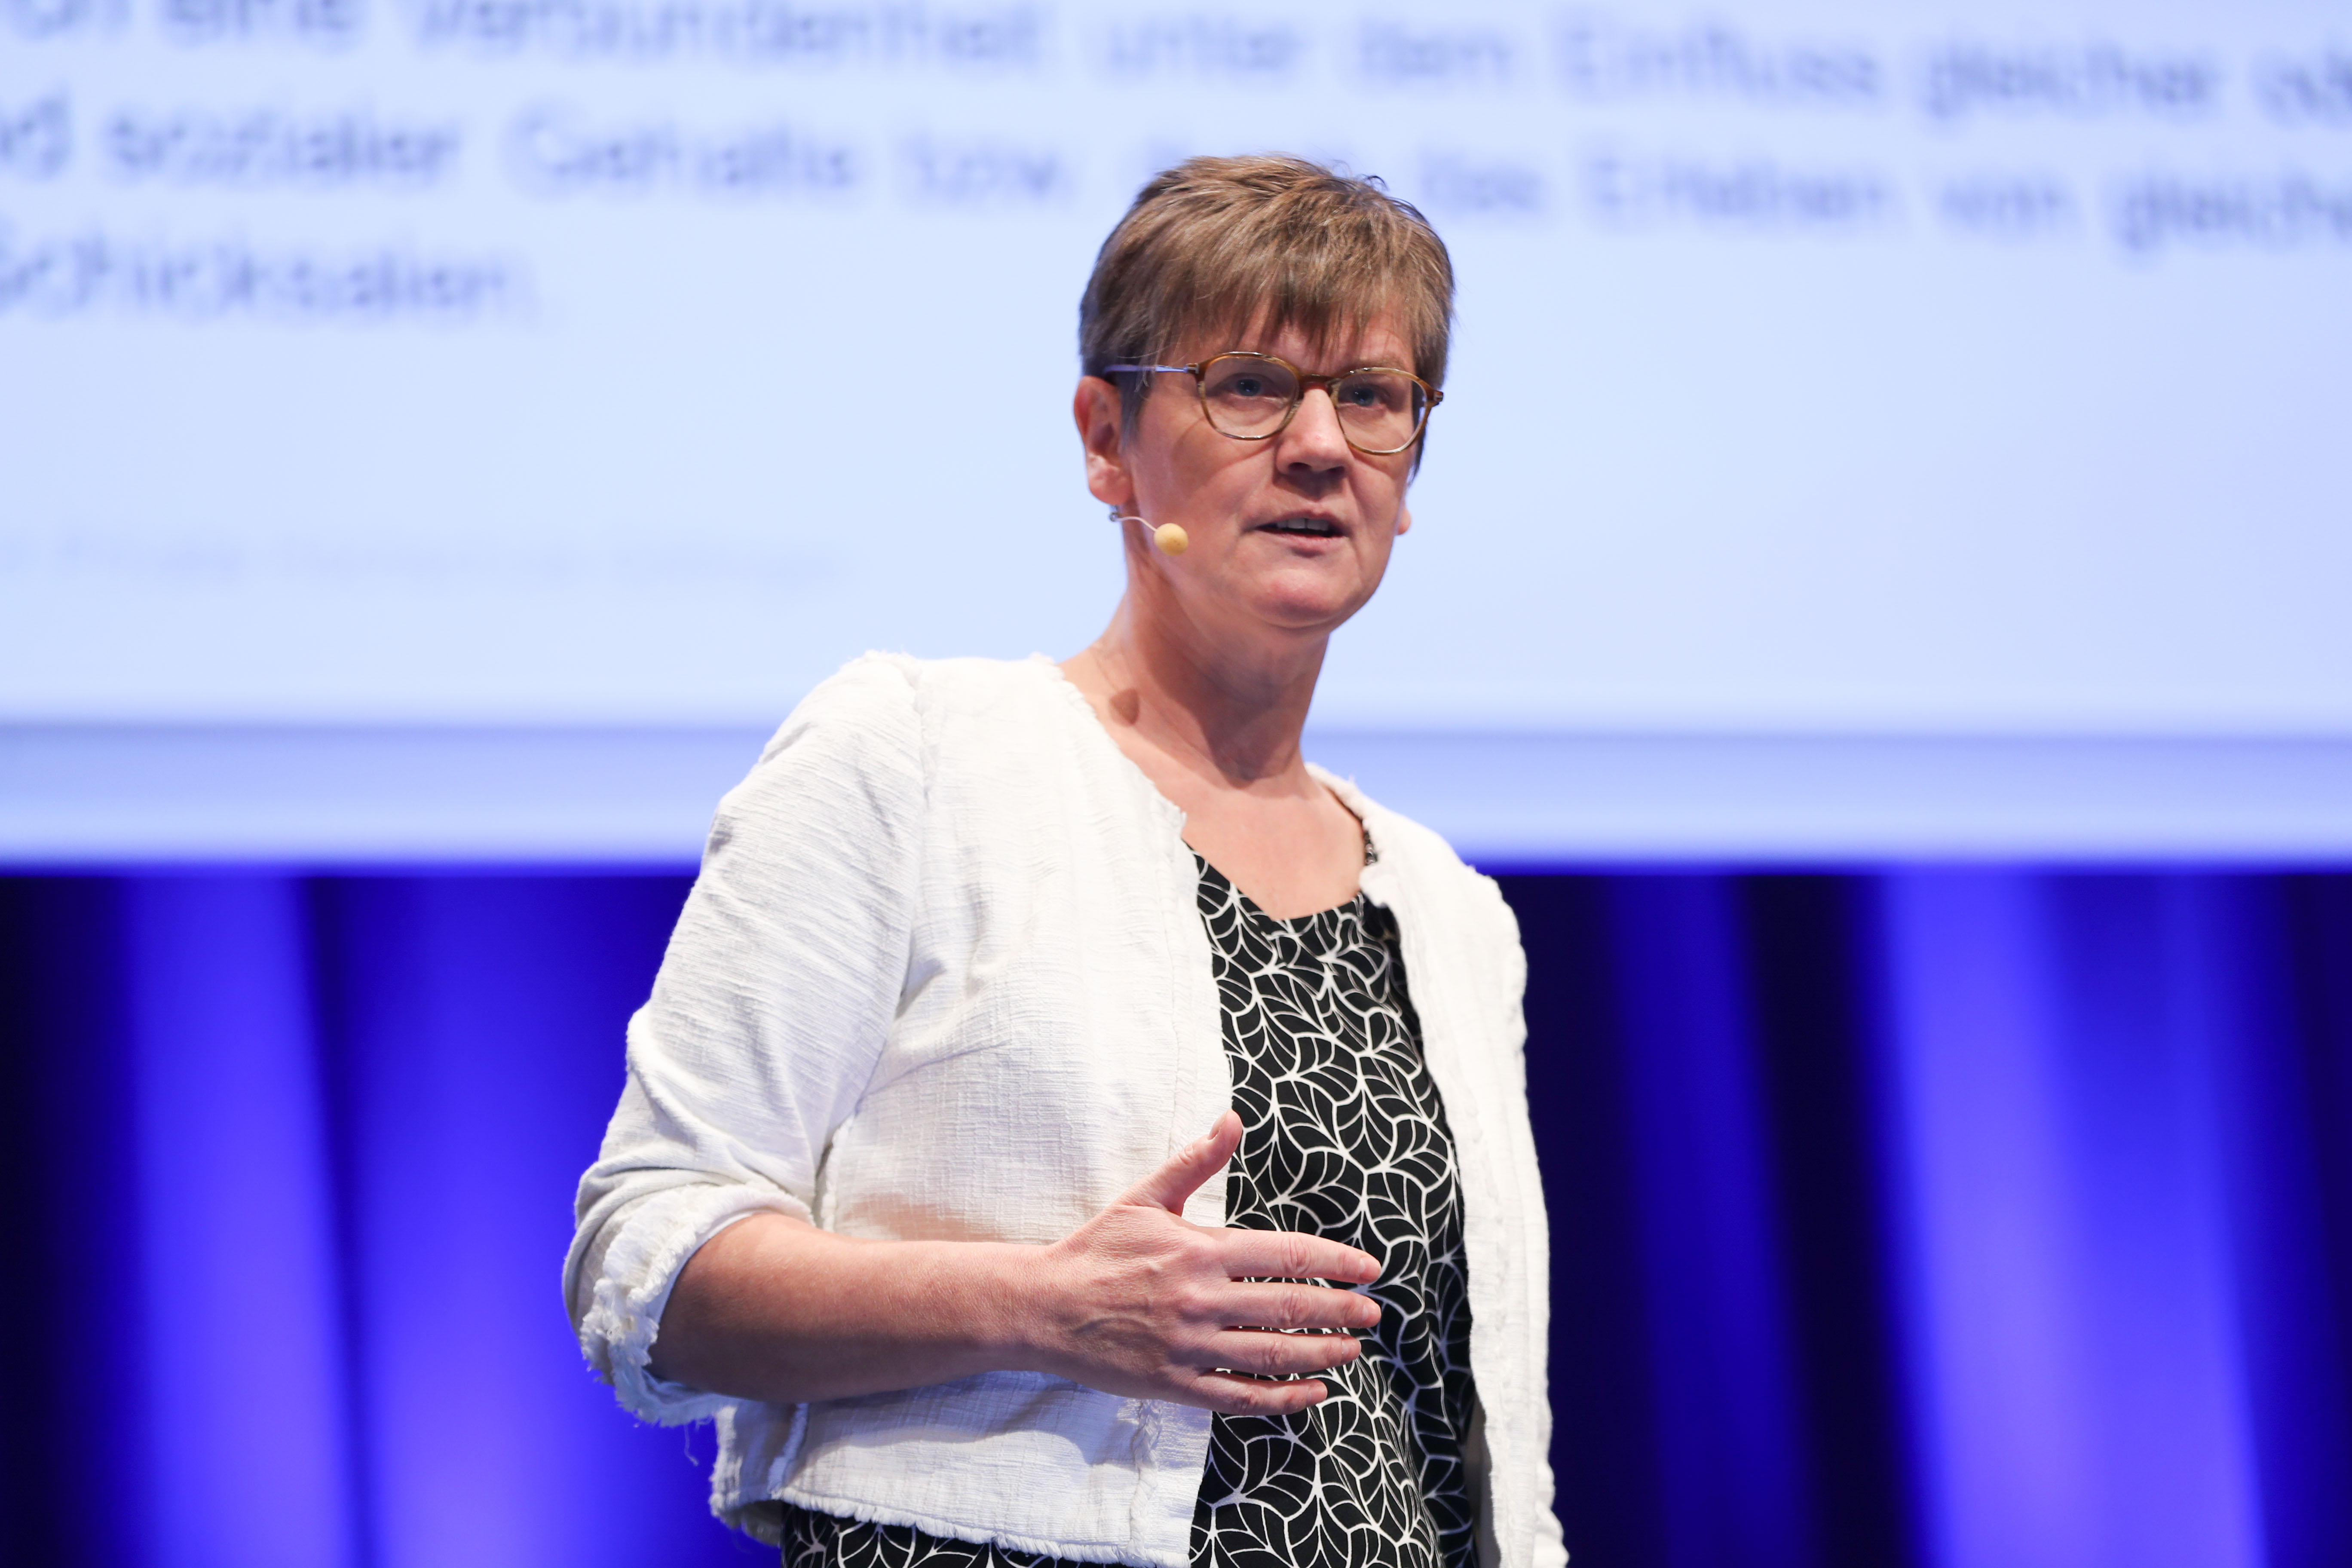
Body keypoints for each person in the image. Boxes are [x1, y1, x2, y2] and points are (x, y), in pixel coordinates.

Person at [567, 154, 1562, 1568]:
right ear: (1107, 440)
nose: (1320, 445)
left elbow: (1479, 1450)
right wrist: (1040, 1307)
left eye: (1373, 396)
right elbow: (645, 1264)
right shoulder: (917, 757)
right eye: (1250, 386)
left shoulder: (1453, 913)